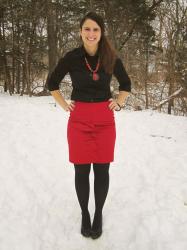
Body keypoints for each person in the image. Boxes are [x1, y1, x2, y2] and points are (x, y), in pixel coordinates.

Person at [47, 11, 131, 239]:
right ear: (80, 32)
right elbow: (51, 83)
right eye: (87, 29)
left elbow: (126, 84)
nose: (91, 33)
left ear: (101, 32)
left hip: (104, 120)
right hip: (79, 120)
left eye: (95, 29)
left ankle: (99, 213)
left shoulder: (110, 57)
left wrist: (119, 103)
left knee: (102, 170)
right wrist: (64, 104)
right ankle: (85, 213)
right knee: (81, 170)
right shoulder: (72, 57)